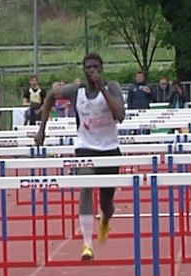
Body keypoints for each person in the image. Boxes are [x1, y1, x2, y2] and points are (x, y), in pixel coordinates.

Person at [34, 53, 127, 261]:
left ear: (101, 68)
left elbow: (120, 115)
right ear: (84, 70)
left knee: (106, 204)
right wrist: (42, 130)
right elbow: (50, 96)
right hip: (85, 147)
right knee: (86, 186)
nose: (91, 70)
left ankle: (105, 220)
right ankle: (87, 244)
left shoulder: (112, 87)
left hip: (109, 149)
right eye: (88, 67)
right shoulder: (76, 91)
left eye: (95, 67)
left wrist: (102, 88)